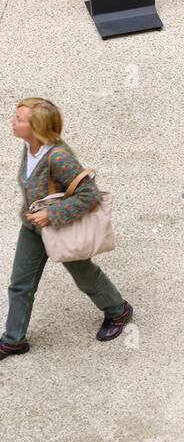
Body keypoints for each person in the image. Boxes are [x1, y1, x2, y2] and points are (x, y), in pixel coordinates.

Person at [0, 98, 132, 360]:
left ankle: (118, 310)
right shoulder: (30, 147)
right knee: (20, 284)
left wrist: (52, 214)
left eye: (19, 119)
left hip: (62, 228)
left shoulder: (58, 157)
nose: (12, 122)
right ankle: (14, 340)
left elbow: (89, 195)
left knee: (84, 276)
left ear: (37, 126)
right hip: (32, 228)